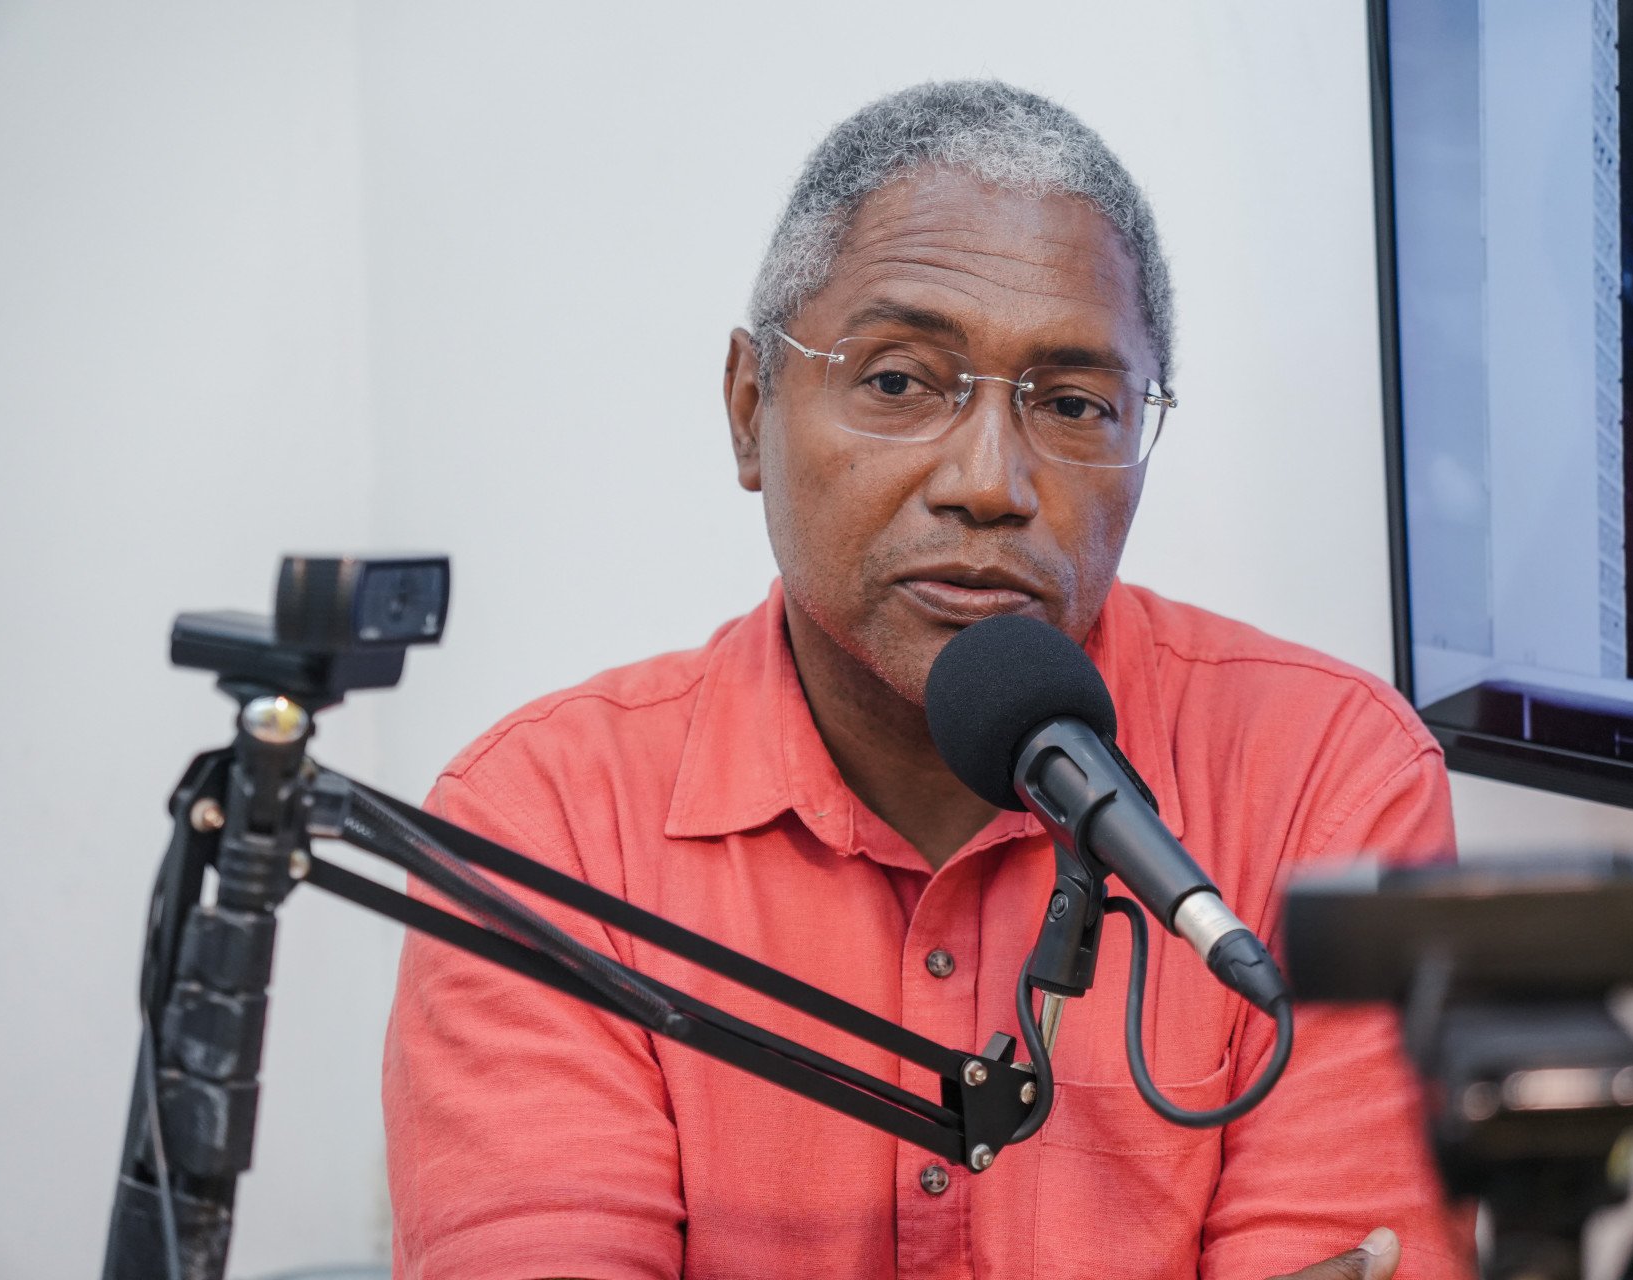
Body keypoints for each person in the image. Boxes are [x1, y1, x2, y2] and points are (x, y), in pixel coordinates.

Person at [382, 80, 1475, 1280]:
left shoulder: (1323, 776)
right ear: (752, 409)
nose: (991, 481)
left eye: (1071, 403)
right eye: (901, 381)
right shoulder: (544, 824)